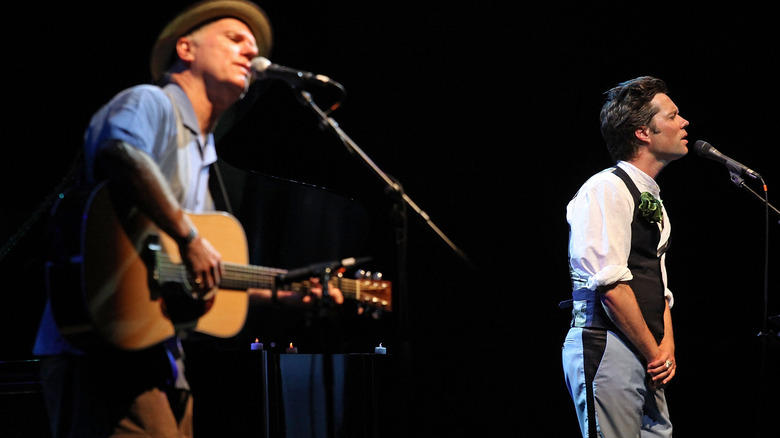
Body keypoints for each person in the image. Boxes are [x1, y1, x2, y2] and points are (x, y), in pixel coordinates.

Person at [32, 1, 341, 436]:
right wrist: (189, 237)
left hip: (160, 360)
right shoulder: (150, 102)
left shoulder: (204, 153)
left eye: (253, 50)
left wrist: (290, 298)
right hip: (102, 349)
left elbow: (209, 281)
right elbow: (120, 153)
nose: (250, 55)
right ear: (186, 48)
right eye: (235, 40)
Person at [562, 76, 688, 437]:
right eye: (673, 116)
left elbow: (657, 280)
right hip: (609, 344)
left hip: (644, 349)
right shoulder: (606, 188)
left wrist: (666, 347)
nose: (684, 123)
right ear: (643, 133)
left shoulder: (652, 198)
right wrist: (654, 352)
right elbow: (610, 284)